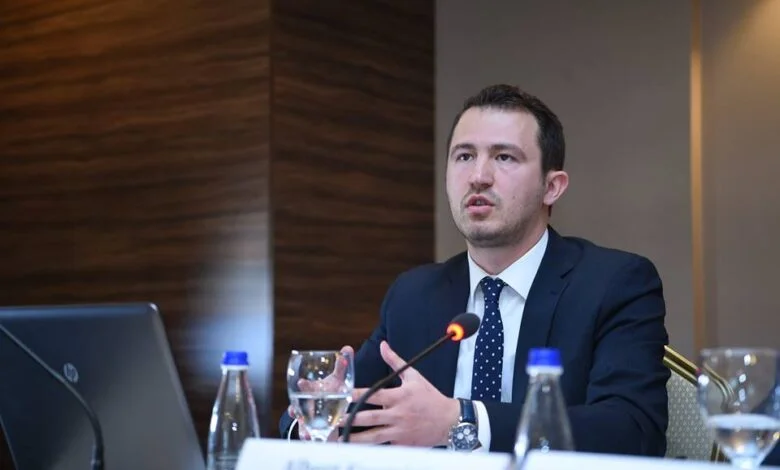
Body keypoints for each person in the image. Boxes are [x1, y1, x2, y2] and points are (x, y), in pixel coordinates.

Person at [279, 83, 670, 455]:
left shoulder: (614, 284)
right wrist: (319, 421)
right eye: (464, 156)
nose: (478, 176)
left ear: (552, 187)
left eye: (504, 157)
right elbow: (328, 414)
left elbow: (633, 430)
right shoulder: (414, 294)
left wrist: (462, 419)